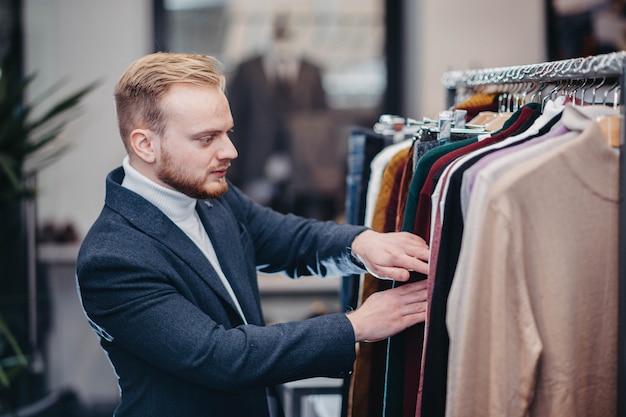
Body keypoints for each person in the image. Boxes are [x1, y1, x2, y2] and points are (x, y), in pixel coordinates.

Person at [75, 52, 429, 417]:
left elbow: (291, 240)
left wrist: (361, 244)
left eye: (227, 132)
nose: (230, 151)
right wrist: (357, 325)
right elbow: (221, 358)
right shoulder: (113, 257)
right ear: (145, 144)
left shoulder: (212, 197)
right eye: (206, 138)